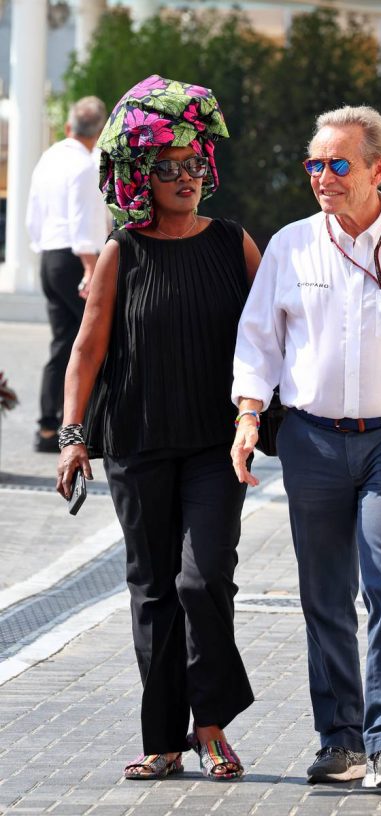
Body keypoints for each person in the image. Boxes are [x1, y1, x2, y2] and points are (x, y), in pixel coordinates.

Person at [231, 105, 381, 790]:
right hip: (311, 440)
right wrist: (249, 416)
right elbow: (258, 343)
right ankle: (338, 740)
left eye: (338, 164)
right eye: (314, 164)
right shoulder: (289, 246)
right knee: (325, 592)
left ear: (379, 168)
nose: (322, 177)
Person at [56, 75, 261, 781]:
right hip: (138, 442)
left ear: (207, 168)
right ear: (142, 176)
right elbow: (87, 349)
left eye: (192, 164)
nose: (183, 177)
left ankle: (211, 723)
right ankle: (164, 741)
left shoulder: (235, 245)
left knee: (202, 581)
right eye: (166, 167)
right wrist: (73, 433)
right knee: (151, 590)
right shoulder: (122, 250)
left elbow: (273, 337)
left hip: (214, 442)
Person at [26, 96, 108, 452]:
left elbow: (32, 212)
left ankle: (47, 428)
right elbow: (84, 221)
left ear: (68, 126)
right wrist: (91, 269)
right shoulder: (86, 166)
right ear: (101, 130)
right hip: (78, 259)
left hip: (48, 256)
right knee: (93, 344)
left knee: (62, 344)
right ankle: (84, 429)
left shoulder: (48, 157)